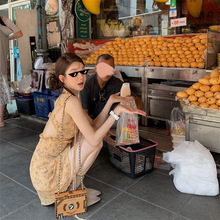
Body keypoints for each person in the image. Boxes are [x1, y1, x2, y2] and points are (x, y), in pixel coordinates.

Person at [29, 53, 146, 206]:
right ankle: (67, 190)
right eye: (74, 74)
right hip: (47, 174)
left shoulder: (68, 97)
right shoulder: (71, 101)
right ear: (62, 79)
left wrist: (110, 102)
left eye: (83, 71)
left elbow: (93, 126)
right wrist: (116, 113)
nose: (81, 77)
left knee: (94, 140)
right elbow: (94, 138)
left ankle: (73, 187)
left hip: (42, 169)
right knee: (95, 143)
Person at [79, 54, 144, 145]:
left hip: (111, 122)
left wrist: (132, 101)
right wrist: (102, 131)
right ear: (96, 68)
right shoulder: (87, 86)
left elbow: (141, 105)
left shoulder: (118, 84)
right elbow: (84, 118)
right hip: (92, 125)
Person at [0, 16, 23, 127]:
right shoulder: (4, 21)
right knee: (1, 92)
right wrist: (7, 38)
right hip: (1, 63)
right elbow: (19, 33)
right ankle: (1, 120)